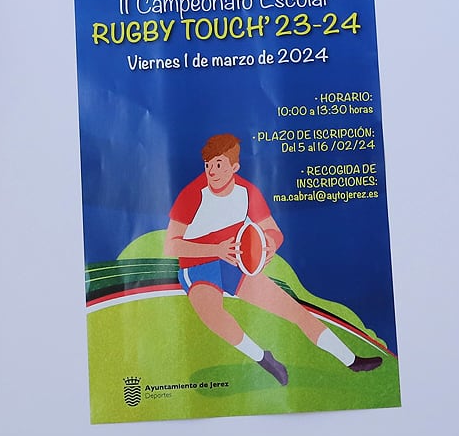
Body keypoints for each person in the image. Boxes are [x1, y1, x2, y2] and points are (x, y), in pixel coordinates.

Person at [163, 133, 382, 384]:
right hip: (198, 266)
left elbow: (274, 231)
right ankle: (263, 357)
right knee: (213, 314)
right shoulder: (192, 194)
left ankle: (351, 361)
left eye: (219, 164)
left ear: (234, 167)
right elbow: (171, 246)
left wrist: (269, 245)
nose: (211, 171)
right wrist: (215, 250)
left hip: (236, 263)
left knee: (295, 311)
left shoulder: (248, 191)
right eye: (207, 165)